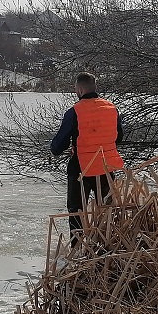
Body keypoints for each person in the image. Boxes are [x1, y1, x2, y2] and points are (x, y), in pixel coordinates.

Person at [50, 71, 124, 238]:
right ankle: (106, 246)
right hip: (106, 168)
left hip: (81, 169)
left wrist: (57, 148)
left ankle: (77, 248)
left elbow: (58, 146)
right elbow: (118, 137)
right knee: (107, 212)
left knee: (76, 211)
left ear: (80, 90)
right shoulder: (111, 108)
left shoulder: (75, 112)